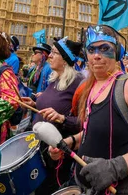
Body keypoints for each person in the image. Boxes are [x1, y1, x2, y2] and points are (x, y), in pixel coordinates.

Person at [51, 25, 128, 194]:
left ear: (118, 53)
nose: (97, 56)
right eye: (91, 49)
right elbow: (96, 130)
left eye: (105, 49)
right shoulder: (90, 88)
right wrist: (70, 143)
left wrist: (114, 168)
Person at [21, 37, 84, 194]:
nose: (49, 55)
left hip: (58, 151)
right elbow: (53, 104)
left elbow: (84, 122)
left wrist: (62, 118)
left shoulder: (78, 83)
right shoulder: (55, 79)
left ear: (65, 59)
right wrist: (35, 103)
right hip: (40, 148)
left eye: (54, 53)